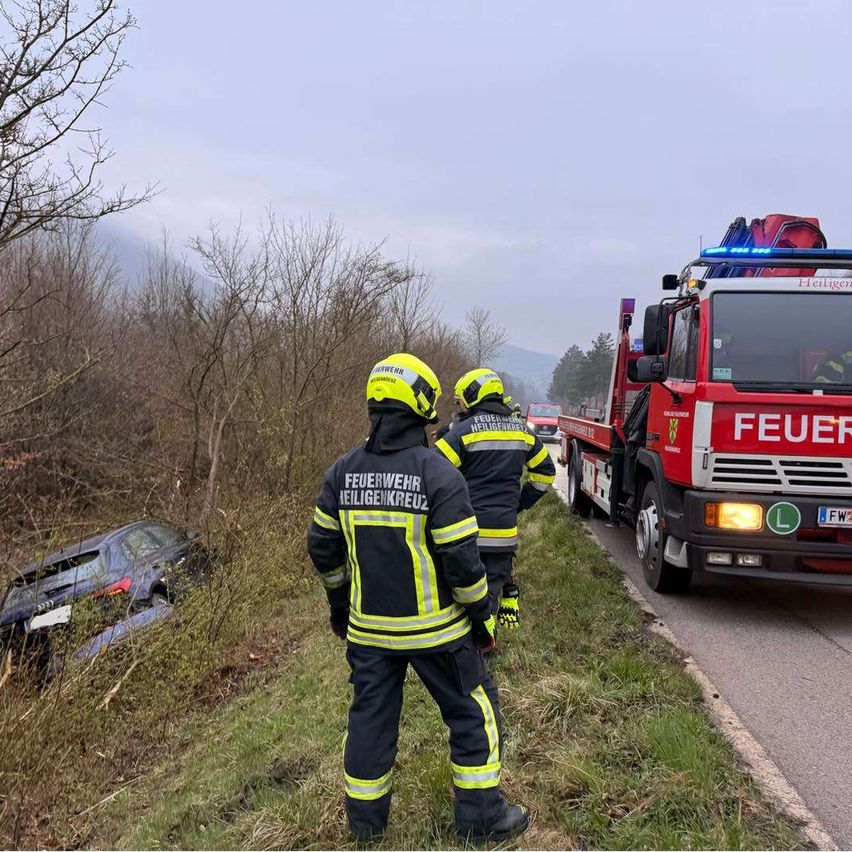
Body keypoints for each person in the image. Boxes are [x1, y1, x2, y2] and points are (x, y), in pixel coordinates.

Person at [307, 353, 529, 844]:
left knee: (369, 721)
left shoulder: (340, 473)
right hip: (440, 633)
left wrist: (339, 606)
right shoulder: (438, 475)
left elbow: (322, 547)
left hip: (369, 634)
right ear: (426, 405)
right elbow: (464, 564)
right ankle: (482, 819)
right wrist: (480, 619)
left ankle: (366, 829)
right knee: (474, 712)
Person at [435, 368, 555, 632]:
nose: (461, 407)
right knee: (490, 594)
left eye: (462, 401)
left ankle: (466, 646)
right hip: (503, 534)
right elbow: (545, 474)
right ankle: (486, 646)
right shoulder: (523, 431)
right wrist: (519, 503)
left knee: (461, 593)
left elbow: (432, 472)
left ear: (473, 396)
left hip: (465, 533)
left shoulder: (463, 432)